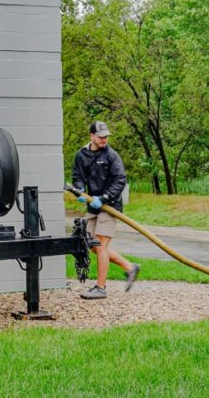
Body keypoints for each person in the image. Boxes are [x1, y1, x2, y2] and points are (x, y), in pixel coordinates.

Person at [71, 120, 139, 299]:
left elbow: (120, 180)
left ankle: (100, 288)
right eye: (101, 137)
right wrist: (79, 190)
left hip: (110, 206)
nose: (104, 140)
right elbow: (77, 176)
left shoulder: (111, 156)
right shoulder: (81, 155)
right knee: (92, 245)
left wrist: (104, 198)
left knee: (100, 245)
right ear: (92, 136)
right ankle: (130, 267)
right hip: (92, 207)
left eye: (106, 137)